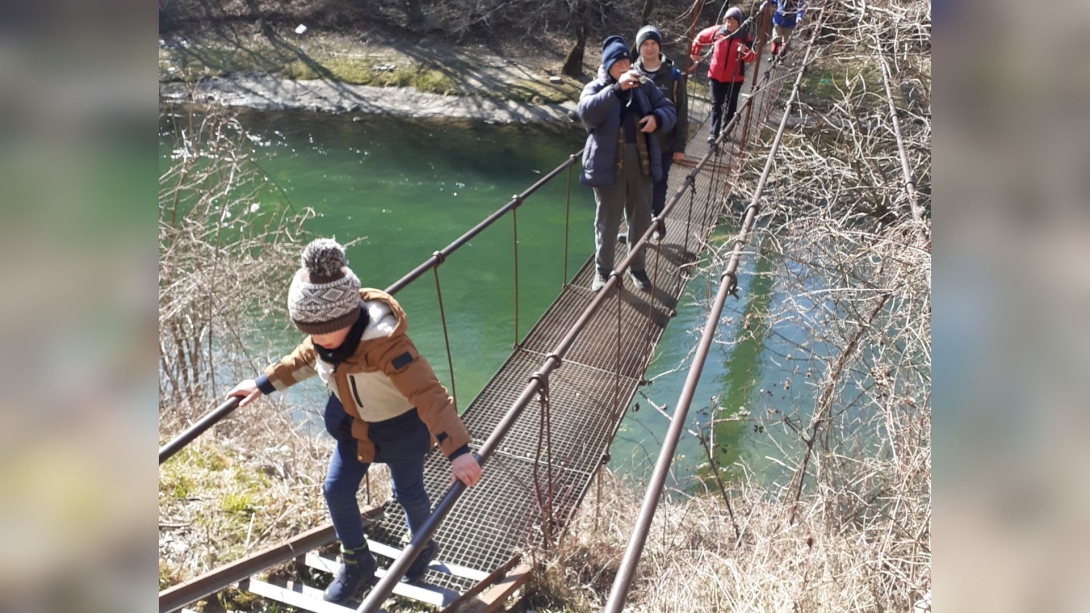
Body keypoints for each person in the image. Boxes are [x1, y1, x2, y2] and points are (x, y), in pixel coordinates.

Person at [226, 238, 482, 604]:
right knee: (335, 490)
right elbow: (301, 358)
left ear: (348, 318)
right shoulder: (323, 337)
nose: (318, 341)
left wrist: (458, 451)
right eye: (311, 331)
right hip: (356, 430)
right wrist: (262, 384)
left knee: (408, 491)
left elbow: (429, 395)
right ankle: (357, 561)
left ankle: (422, 547)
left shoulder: (387, 346)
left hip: (402, 431)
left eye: (325, 332)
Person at [578, 35, 677, 292]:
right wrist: (615, 90)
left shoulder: (643, 85)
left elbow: (668, 108)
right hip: (608, 164)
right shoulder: (596, 87)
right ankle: (603, 272)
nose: (624, 66)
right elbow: (586, 114)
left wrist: (657, 118)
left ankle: (637, 267)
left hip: (642, 161)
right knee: (607, 221)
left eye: (626, 61)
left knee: (640, 218)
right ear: (608, 65)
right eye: (618, 62)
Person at [633, 25, 688, 239]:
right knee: (636, 186)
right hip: (636, 143)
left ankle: (658, 223)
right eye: (645, 44)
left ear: (659, 46)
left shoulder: (673, 76)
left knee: (659, 184)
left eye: (653, 43)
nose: (649, 48)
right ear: (639, 48)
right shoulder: (631, 73)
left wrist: (679, 146)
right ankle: (637, 228)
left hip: (664, 143)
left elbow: (681, 111)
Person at [690, 6, 756, 146]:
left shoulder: (744, 36)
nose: (729, 24)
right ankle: (713, 134)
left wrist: (744, 52)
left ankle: (726, 131)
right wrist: (695, 54)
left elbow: (752, 57)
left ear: (739, 23)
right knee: (716, 105)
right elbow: (699, 38)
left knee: (731, 107)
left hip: (734, 79)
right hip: (715, 76)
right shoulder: (717, 31)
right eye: (727, 20)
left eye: (733, 21)